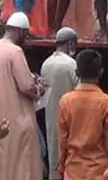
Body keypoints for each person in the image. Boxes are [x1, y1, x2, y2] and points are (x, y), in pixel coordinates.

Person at [0, 12, 47, 180]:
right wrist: (39, 87)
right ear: (21, 32)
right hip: (17, 120)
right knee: (22, 166)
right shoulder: (15, 51)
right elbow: (26, 86)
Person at [57, 49, 108, 179]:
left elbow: (62, 140)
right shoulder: (107, 102)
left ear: (76, 73)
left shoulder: (65, 101)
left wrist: (61, 165)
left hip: (73, 172)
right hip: (99, 172)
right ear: (101, 72)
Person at [41, 27, 80, 180]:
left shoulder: (46, 64)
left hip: (50, 117)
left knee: (53, 152)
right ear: (70, 43)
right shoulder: (72, 65)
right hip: (70, 118)